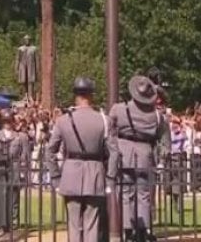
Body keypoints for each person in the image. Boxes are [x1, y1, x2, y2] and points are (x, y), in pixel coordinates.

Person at [44, 77, 118, 242]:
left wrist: (55, 177)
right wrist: (110, 178)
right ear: (91, 95)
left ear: (75, 95)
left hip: (70, 174)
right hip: (95, 174)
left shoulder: (63, 120)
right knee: (92, 223)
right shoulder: (104, 120)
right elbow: (114, 153)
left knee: (73, 224)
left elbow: (50, 151)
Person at [110, 76, 170, 242]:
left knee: (126, 193)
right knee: (144, 194)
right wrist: (161, 160)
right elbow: (165, 143)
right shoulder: (158, 117)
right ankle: (143, 231)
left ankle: (128, 231)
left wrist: (113, 150)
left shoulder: (118, 109)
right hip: (146, 154)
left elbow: (109, 132)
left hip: (124, 154)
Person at [0, 109, 30, 231]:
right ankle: (2, 222)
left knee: (14, 197)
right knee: (0, 197)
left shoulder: (21, 137)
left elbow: (25, 155)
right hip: (0, 170)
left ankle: (13, 221)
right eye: (5, 121)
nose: (7, 123)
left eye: (9, 121)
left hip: (15, 168)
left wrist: (23, 170)